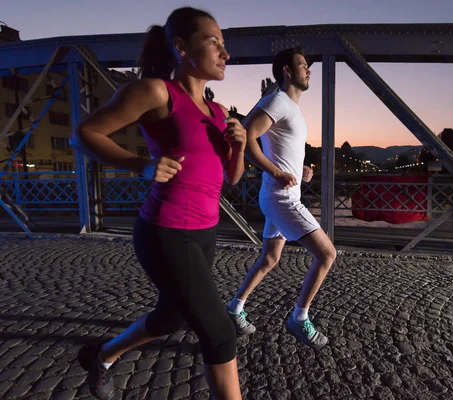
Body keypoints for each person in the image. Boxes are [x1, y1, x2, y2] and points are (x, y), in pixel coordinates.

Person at [70, 7, 245, 400]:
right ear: (181, 47)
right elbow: (83, 135)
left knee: (172, 316)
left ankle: (101, 355)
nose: (225, 53)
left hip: (205, 230)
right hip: (166, 230)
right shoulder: (157, 92)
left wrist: (240, 145)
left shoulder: (217, 112)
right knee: (219, 333)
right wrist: (140, 165)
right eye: (213, 42)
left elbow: (230, 178)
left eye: (224, 44)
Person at [226, 47, 336, 350]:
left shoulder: (291, 108)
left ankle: (234, 308)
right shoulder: (276, 100)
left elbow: (277, 148)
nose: (308, 70)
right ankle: (299, 319)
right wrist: (276, 172)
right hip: (280, 197)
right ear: (287, 71)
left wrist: (298, 170)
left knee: (270, 258)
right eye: (303, 65)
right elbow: (247, 140)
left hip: (280, 193)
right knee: (327, 254)